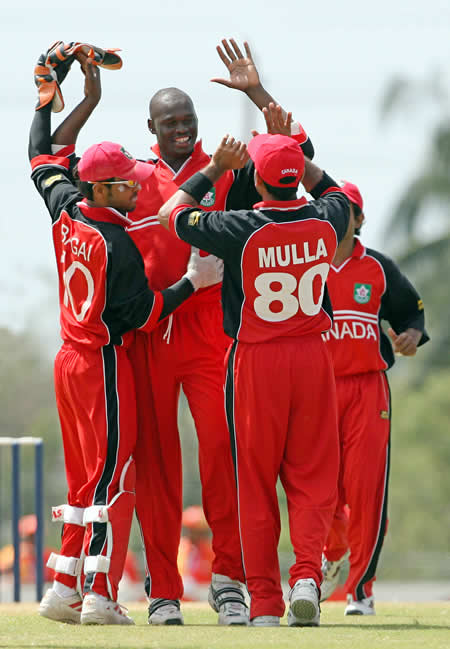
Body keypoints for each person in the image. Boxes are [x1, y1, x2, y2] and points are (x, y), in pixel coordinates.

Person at [29, 46, 223, 626]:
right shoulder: (117, 246)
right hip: (102, 364)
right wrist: (191, 283)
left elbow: (41, 154)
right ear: (102, 189)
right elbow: (141, 315)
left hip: (66, 359)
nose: (136, 189)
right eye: (122, 184)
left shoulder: (66, 207)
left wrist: (61, 96)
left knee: (86, 477)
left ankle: (64, 584)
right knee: (113, 478)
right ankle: (96, 594)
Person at [124, 39, 314, 626]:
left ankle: (229, 578)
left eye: (189, 121)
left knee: (224, 456)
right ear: (151, 126)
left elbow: (293, 156)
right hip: (154, 333)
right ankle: (161, 588)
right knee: (157, 464)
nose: (181, 130)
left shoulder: (231, 164)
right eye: (170, 122)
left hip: (215, 335)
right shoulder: (131, 175)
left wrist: (258, 95)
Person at [158, 122, 351, 626]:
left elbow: (170, 213)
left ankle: (264, 601)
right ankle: (306, 574)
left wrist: (216, 169)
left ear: (258, 182)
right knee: (312, 479)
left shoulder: (239, 225)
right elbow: (330, 188)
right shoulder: (328, 218)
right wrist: (291, 148)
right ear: (295, 178)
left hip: (257, 360)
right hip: (313, 356)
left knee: (255, 482)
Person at [319, 181, 429, 615]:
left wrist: (411, 336)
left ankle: (361, 590)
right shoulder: (305, 263)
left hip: (367, 389)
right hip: (316, 390)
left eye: (345, 210)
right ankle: (334, 550)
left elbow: (412, 313)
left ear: (359, 219)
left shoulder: (379, 269)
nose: (334, 216)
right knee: (317, 487)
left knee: (366, 490)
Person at [177, 506, 214, 602]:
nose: (196, 535)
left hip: (205, 593)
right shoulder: (181, 548)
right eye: (192, 530)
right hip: (185, 594)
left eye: (200, 531)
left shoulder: (210, 550)